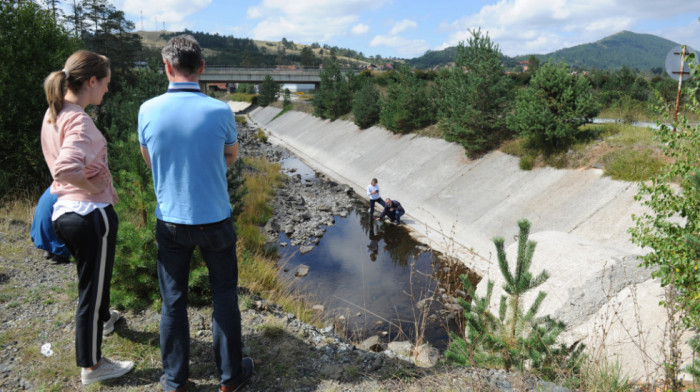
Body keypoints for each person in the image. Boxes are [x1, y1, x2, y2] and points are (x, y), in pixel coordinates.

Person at [138, 35, 253, 392]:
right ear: (202, 69)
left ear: (167, 67)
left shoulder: (147, 109)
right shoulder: (220, 110)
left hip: (170, 220)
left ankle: (174, 380)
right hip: (215, 218)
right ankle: (230, 376)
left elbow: (149, 160)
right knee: (224, 295)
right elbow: (230, 156)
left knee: (173, 301)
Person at [40, 50, 134, 385]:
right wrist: (91, 184)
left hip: (67, 212)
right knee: (90, 291)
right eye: (106, 83)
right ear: (91, 81)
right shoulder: (78, 119)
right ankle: (92, 366)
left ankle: (105, 318)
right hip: (89, 214)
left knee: (92, 282)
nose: (107, 90)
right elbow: (66, 167)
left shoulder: (55, 113)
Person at [30, 186, 71, 264]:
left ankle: (50, 249)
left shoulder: (56, 185)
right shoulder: (73, 188)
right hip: (55, 239)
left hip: (40, 236)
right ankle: (60, 252)